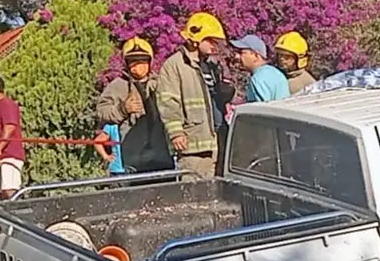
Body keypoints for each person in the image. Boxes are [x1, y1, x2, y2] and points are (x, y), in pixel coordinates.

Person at [158, 13, 228, 179]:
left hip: (215, 142)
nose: (214, 46)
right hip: (193, 145)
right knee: (194, 196)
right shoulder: (174, 66)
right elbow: (168, 102)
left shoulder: (212, 66)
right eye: (210, 40)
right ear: (196, 39)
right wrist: (176, 133)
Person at [96, 36, 174, 174]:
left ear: (150, 62)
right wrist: (122, 109)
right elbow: (102, 112)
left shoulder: (160, 83)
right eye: (133, 62)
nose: (138, 66)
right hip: (133, 157)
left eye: (143, 61)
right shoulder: (117, 86)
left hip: (162, 155)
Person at [230, 34, 289, 103]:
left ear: (256, 56)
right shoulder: (276, 73)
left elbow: (260, 110)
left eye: (241, 52)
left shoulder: (258, 78)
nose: (237, 56)